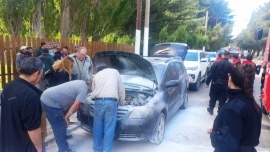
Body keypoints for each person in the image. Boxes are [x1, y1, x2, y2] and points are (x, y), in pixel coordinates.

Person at [208, 64, 262, 152]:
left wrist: (214, 134)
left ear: (230, 79)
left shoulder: (233, 108)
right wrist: (222, 131)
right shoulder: (253, 104)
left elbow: (227, 145)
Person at [0, 57, 44, 152]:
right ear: (36, 74)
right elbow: (33, 129)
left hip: (7, 141)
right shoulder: (30, 96)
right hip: (24, 146)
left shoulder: (8, 86)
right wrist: (39, 149)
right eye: (41, 73)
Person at [41, 80, 90, 152]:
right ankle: (63, 149)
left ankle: (63, 140)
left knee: (61, 124)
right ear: (89, 86)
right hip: (51, 101)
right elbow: (76, 105)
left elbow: (71, 103)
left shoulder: (81, 82)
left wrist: (66, 116)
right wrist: (66, 117)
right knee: (59, 126)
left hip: (50, 97)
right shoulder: (84, 88)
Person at [91, 62, 125, 152]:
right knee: (109, 128)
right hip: (111, 102)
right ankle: (107, 150)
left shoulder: (96, 75)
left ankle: (97, 149)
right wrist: (122, 102)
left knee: (97, 127)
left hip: (98, 102)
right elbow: (121, 89)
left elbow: (93, 90)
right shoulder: (115, 72)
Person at [206, 51, 233, 115]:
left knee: (213, 97)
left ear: (222, 55)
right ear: (229, 56)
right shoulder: (230, 65)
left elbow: (211, 74)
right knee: (222, 99)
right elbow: (232, 76)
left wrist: (207, 82)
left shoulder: (216, 63)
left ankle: (211, 109)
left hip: (215, 83)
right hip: (225, 84)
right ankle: (220, 112)